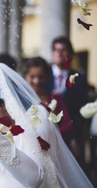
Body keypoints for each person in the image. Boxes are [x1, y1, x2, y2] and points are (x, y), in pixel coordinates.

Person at [49, 36, 88, 164]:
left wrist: (75, 136)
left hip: (70, 135)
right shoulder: (43, 76)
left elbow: (80, 111)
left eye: (63, 49)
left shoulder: (79, 79)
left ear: (70, 54)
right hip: (48, 132)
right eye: (56, 49)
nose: (59, 53)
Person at [24, 57, 73, 145]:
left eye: (40, 77)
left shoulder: (56, 99)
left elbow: (66, 125)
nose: (37, 81)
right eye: (32, 76)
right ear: (25, 77)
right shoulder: (20, 100)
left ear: (46, 77)